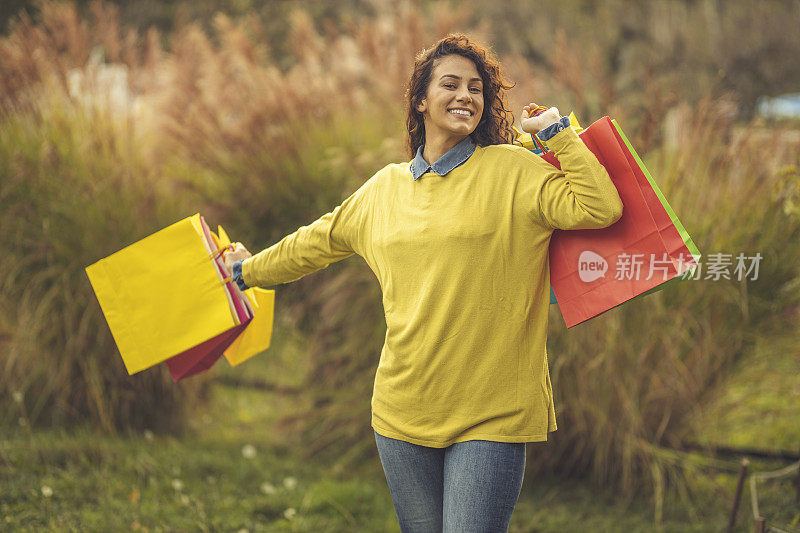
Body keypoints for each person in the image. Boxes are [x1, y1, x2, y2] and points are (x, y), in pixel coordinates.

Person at [223, 33, 622, 533]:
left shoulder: (514, 169)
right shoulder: (383, 190)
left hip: (491, 414)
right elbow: (313, 243)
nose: (465, 96)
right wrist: (247, 270)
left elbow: (600, 207)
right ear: (420, 100)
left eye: (476, 88)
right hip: (401, 412)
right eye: (450, 84)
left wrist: (557, 133)